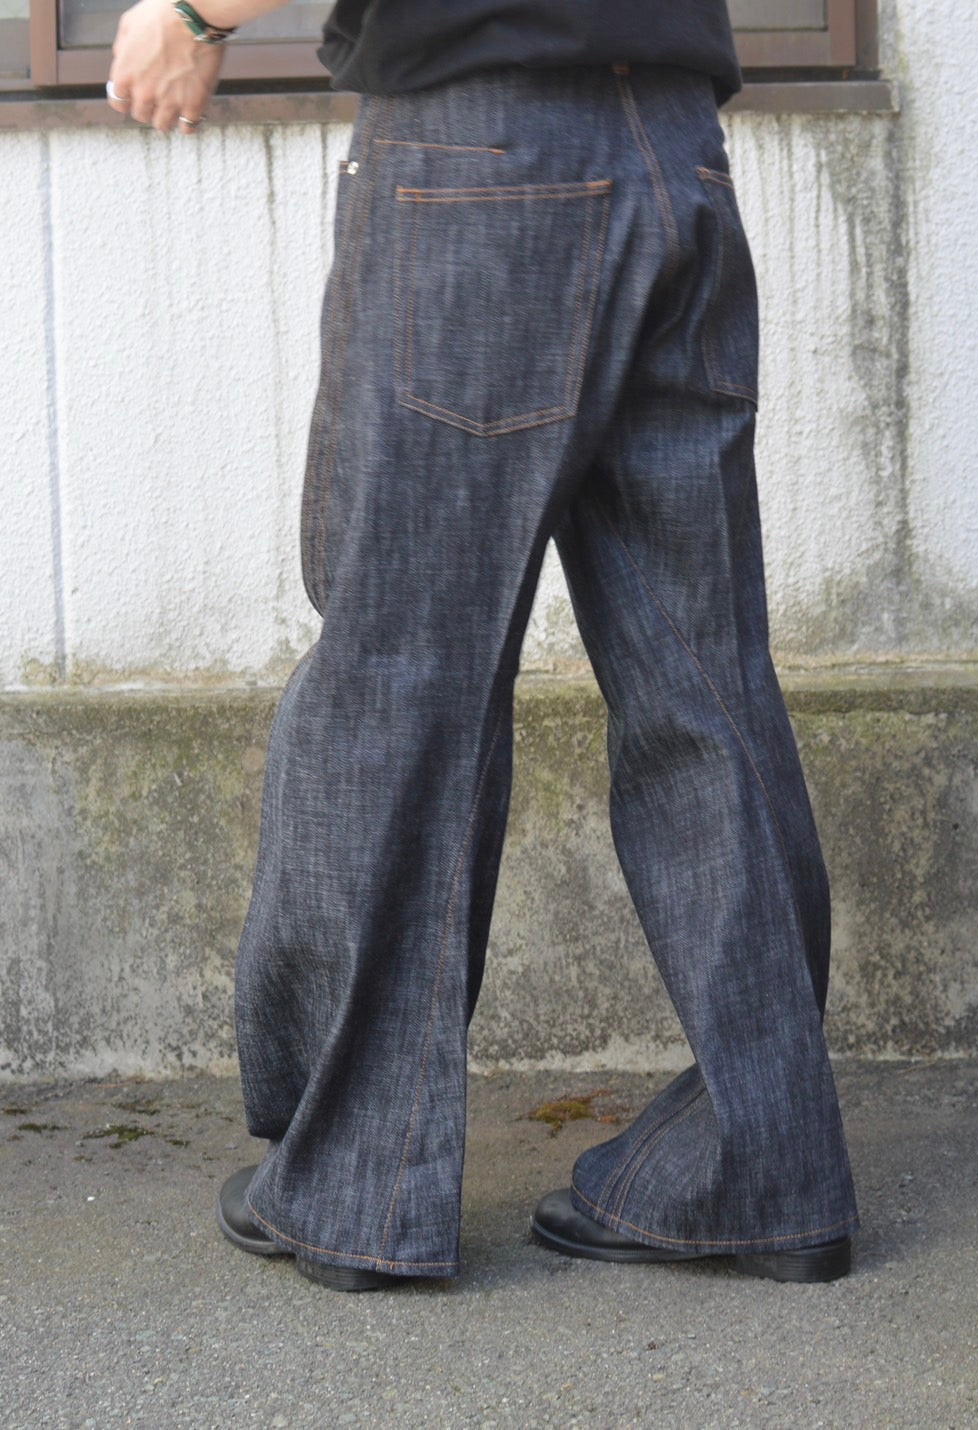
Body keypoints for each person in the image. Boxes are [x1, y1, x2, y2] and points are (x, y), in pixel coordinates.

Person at [108, 0, 859, 1291]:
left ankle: (358, 1186)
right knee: (703, 680)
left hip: (481, 155)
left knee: (403, 676)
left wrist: (192, 13)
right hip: (676, 150)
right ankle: (771, 1165)